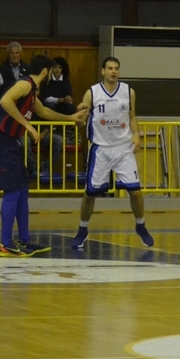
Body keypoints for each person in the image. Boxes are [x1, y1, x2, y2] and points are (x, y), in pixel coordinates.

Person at [0, 55, 86, 257]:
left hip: (8, 141)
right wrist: (28, 125)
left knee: (22, 188)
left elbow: (45, 112)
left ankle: (25, 240)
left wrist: (70, 118)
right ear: (45, 72)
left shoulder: (31, 91)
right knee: (13, 190)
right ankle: (6, 244)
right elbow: (5, 101)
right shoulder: (25, 84)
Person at [71, 57, 154, 250]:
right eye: (110, 68)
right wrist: (78, 114)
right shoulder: (92, 93)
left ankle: (141, 225)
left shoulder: (128, 91)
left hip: (123, 148)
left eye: (116, 68)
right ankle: (82, 229)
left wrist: (137, 135)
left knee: (136, 191)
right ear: (103, 71)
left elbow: (131, 116)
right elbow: (80, 122)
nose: (113, 71)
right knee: (90, 194)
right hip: (101, 149)